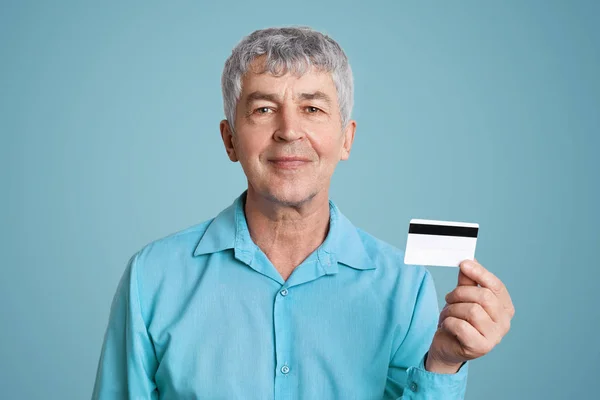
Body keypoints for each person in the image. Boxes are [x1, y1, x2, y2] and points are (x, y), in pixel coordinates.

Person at [92, 26, 514, 399]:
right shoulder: (152, 278)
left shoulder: (405, 290)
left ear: (346, 140)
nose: (289, 130)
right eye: (263, 109)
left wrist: (442, 364)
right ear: (230, 139)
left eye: (312, 108)